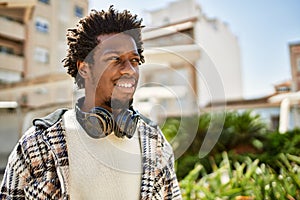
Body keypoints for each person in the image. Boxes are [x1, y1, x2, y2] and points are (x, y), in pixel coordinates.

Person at [0, 6, 182, 200]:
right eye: (115, 59)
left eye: (134, 60)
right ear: (84, 68)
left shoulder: (154, 142)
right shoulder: (38, 144)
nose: (129, 70)